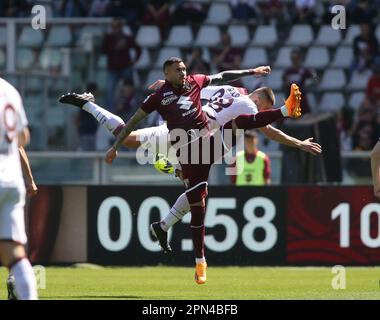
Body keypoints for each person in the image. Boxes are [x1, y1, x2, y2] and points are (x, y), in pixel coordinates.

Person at [60, 58, 304, 285]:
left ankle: (89, 106)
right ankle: (172, 201)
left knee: (131, 141)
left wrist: (251, 72)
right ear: (260, 101)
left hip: (178, 132)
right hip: (200, 143)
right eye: (265, 110)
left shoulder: (230, 91)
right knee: (197, 195)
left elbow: (220, 77)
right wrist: (298, 142)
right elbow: (268, 130)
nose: (262, 115)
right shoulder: (249, 106)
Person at [0, 77, 38, 299]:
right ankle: (20, 287)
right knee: (14, 253)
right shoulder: (9, 90)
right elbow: (23, 137)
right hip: (11, 181)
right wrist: (29, 178)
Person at [7, 146, 38, 300]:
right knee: (14, 247)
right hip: (11, 185)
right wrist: (30, 180)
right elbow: (20, 144)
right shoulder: (9, 120)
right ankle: (16, 281)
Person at [102, 18, 141, 111]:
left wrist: (135, 60)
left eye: (117, 27)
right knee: (109, 91)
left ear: (121, 27)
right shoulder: (108, 38)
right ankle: (110, 112)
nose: (115, 29)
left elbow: (138, 49)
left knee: (129, 91)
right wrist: (115, 47)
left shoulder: (126, 38)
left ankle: (131, 109)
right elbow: (103, 50)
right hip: (113, 69)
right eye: (113, 27)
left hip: (125, 67)